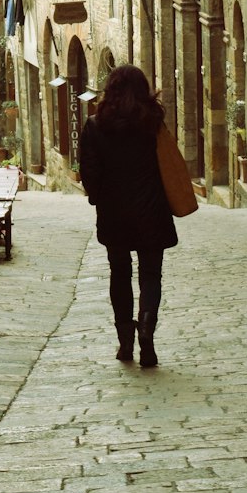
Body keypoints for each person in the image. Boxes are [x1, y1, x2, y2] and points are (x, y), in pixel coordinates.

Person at [78, 64, 178, 368]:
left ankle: (125, 342)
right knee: (150, 275)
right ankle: (146, 328)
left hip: (115, 212)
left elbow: (88, 173)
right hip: (151, 210)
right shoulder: (153, 122)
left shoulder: (95, 126)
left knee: (119, 274)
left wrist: (99, 197)